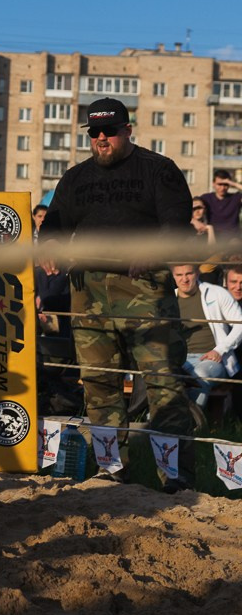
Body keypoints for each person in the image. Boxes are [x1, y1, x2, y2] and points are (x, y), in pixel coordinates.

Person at [39, 97, 199, 488]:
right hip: (88, 291)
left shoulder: (159, 170)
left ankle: (175, 477)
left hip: (144, 288)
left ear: (127, 130)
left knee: (163, 381)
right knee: (98, 383)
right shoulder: (75, 178)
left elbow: (177, 226)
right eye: (94, 132)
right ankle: (110, 470)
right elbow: (52, 228)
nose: (101, 138)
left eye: (109, 131)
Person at [171, 263, 242, 408]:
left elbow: (240, 324)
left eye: (189, 274)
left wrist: (219, 350)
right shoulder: (168, 300)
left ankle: (192, 419)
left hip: (212, 360)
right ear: (173, 276)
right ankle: (155, 420)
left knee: (200, 375)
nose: (184, 279)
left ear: (197, 273)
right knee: (162, 378)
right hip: (179, 360)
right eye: (179, 275)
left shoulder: (216, 293)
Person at [201, 170, 242, 240]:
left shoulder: (236, 198)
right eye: (219, 184)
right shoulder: (206, 198)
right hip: (213, 236)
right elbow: (190, 207)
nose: (222, 188)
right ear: (213, 184)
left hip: (233, 237)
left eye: (226, 185)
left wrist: (234, 184)